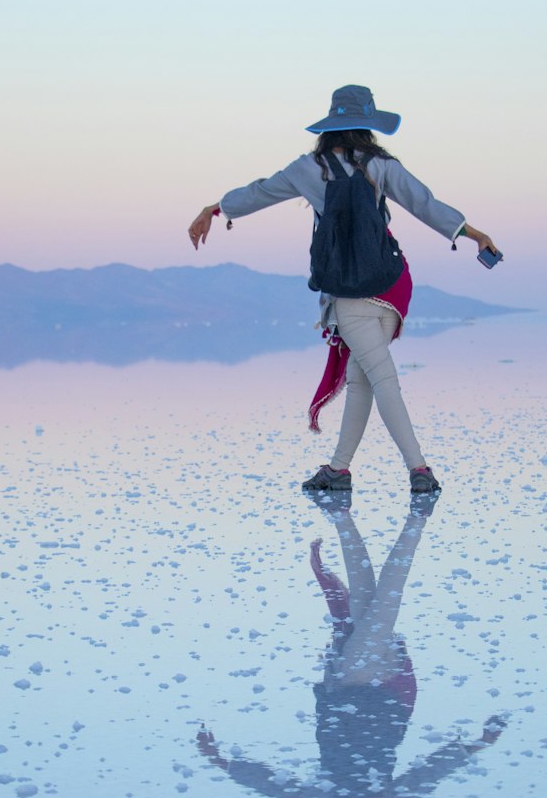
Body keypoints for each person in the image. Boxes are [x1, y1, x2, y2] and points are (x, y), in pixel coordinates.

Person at [187, 84, 500, 494]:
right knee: (362, 377)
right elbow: (424, 203)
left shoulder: (308, 168)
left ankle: (419, 469)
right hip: (391, 286)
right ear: (368, 126)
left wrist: (215, 209)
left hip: (347, 294)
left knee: (379, 376)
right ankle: (339, 470)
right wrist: (472, 233)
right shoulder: (381, 165)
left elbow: (260, 192)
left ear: (330, 127)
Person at [197, 502, 507, 798]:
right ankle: (404, 515)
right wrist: (477, 744)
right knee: (385, 596)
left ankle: (352, 516)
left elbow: (278, 786)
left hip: (350, 683)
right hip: (386, 690)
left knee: (370, 596)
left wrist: (225, 763)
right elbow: (428, 774)